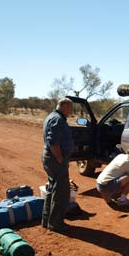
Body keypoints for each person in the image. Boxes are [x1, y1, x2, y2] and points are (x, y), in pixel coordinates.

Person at [41, 98, 74, 232]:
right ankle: (56, 223)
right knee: (60, 191)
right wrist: (60, 158)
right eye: (71, 108)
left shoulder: (52, 116)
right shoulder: (57, 120)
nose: (71, 111)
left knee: (52, 188)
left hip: (50, 157)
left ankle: (47, 220)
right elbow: (53, 141)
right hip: (55, 158)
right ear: (64, 106)